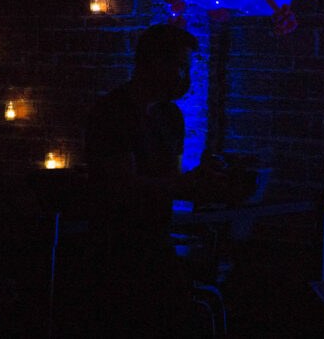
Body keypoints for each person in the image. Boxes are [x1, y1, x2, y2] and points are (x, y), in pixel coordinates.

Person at [85, 23, 236, 336]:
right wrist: (189, 185)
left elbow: (168, 181)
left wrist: (201, 179)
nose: (185, 77)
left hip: (157, 240)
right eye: (180, 66)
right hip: (116, 248)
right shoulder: (113, 112)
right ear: (152, 63)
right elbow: (122, 185)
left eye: (187, 68)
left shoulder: (171, 116)